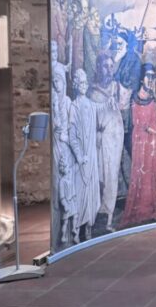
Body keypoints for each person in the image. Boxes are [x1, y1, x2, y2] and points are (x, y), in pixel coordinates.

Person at [121, 62, 156, 227]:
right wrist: (154, 132)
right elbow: (137, 124)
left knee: (154, 171)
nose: (150, 79)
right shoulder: (134, 98)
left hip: (153, 141)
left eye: (153, 76)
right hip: (140, 140)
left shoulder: (152, 98)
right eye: (148, 76)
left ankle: (154, 209)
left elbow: (155, 122)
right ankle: (142, 210)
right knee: (141, 172)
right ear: (141, 78)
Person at [88, 52, 127, 232]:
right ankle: (94, 214)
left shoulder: (116, 88)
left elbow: (122, 108)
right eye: (105, 66)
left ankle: (108, 218)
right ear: (98, 68)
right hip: (98, 139)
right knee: (98, 176)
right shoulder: (92, 91)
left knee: (111, 175)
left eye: (111, 66)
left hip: (114, 138)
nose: (109, 70)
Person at [69, 68, 101, 242]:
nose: (83, 85)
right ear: (76, 85)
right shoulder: (74, 107)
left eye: (85, 82)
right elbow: (72, 135)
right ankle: (77, 231)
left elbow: (101, 111)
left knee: (92, 193)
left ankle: (89, 228)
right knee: (81, 192)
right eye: (80, 83)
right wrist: (79, 156)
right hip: (81, 159)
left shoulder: (91, 105)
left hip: (92, 156)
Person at [51, 70, 76, 246]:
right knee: (57, 179)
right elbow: (55, 124)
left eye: (58, 81)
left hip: (65, 143)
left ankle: (69, 232)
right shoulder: (54, 101)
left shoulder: (67, 101)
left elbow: (71, 124)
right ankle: (58, 229)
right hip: (56, 142)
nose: (56, 84)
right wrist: (54, 108)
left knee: (67, 176)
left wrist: (67, 135)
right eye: (54, 82)